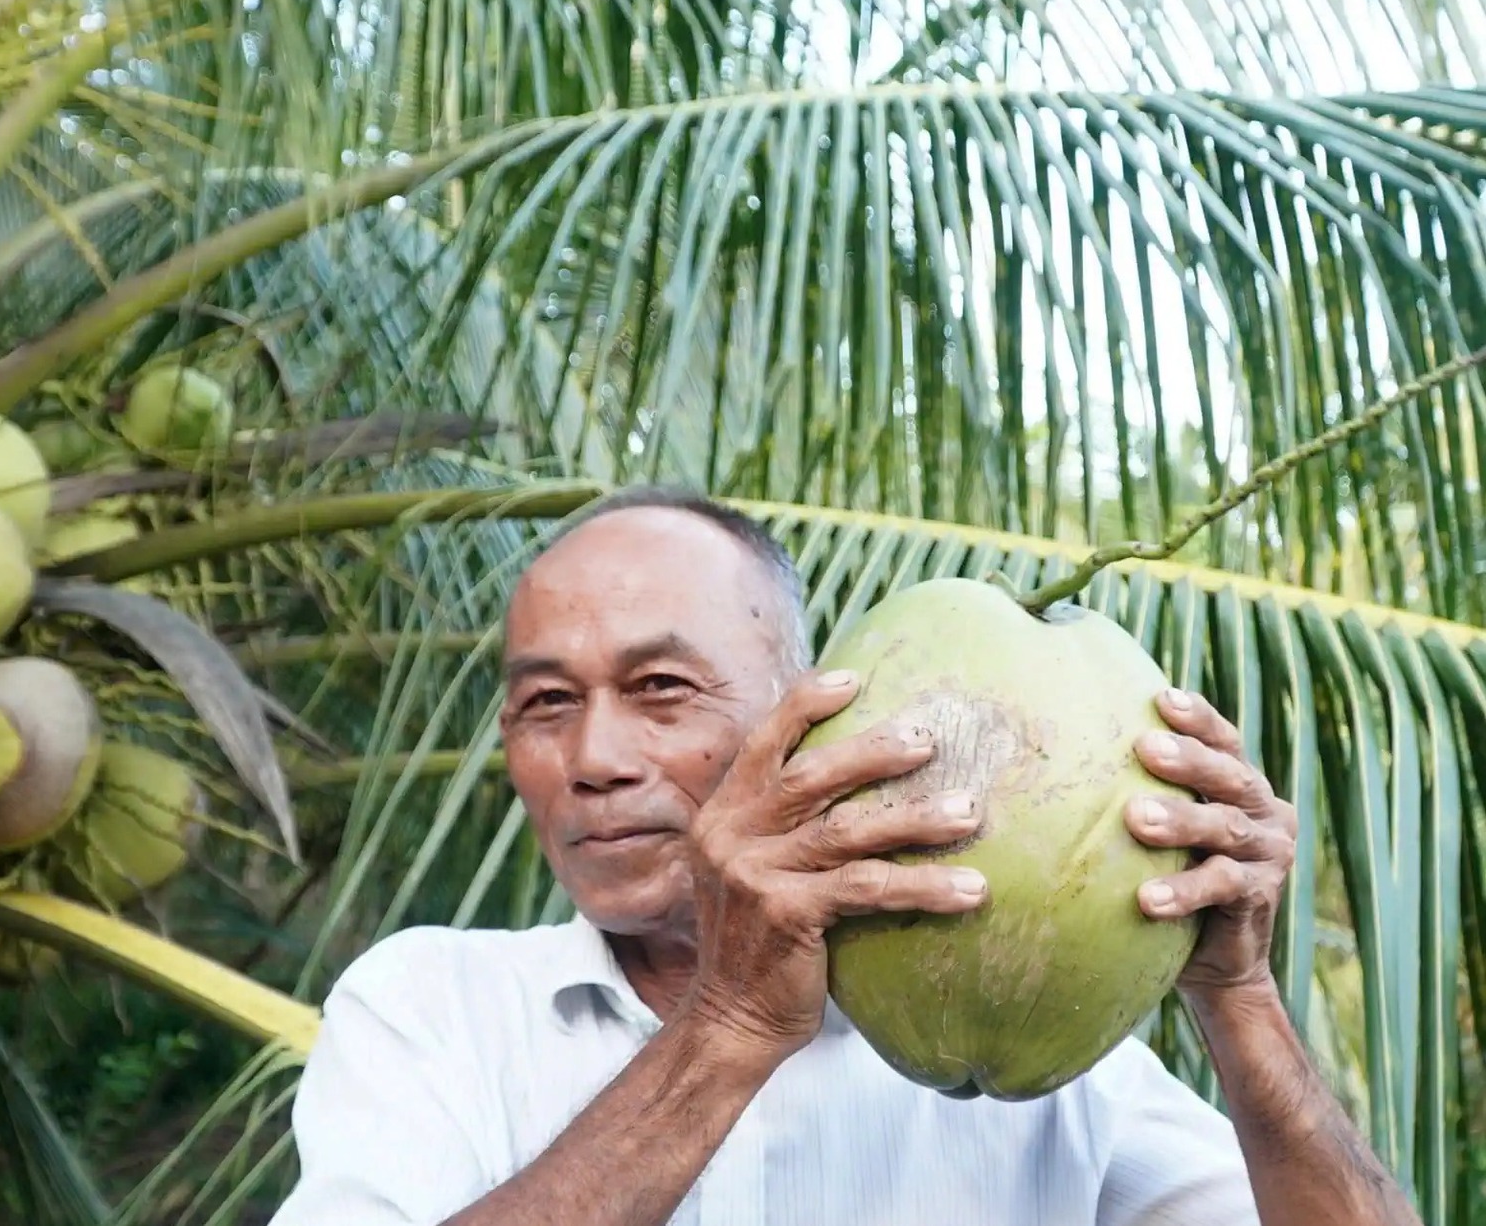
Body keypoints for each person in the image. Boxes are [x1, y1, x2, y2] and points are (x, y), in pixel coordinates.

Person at [266, 484, 1421, 1226]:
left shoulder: (1041, 1062)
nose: (594, 755)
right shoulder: (426, 1009)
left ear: (805, 717)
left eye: (660, 688)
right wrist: (727, 1027)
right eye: (543, 703)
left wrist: (1242, 1003)